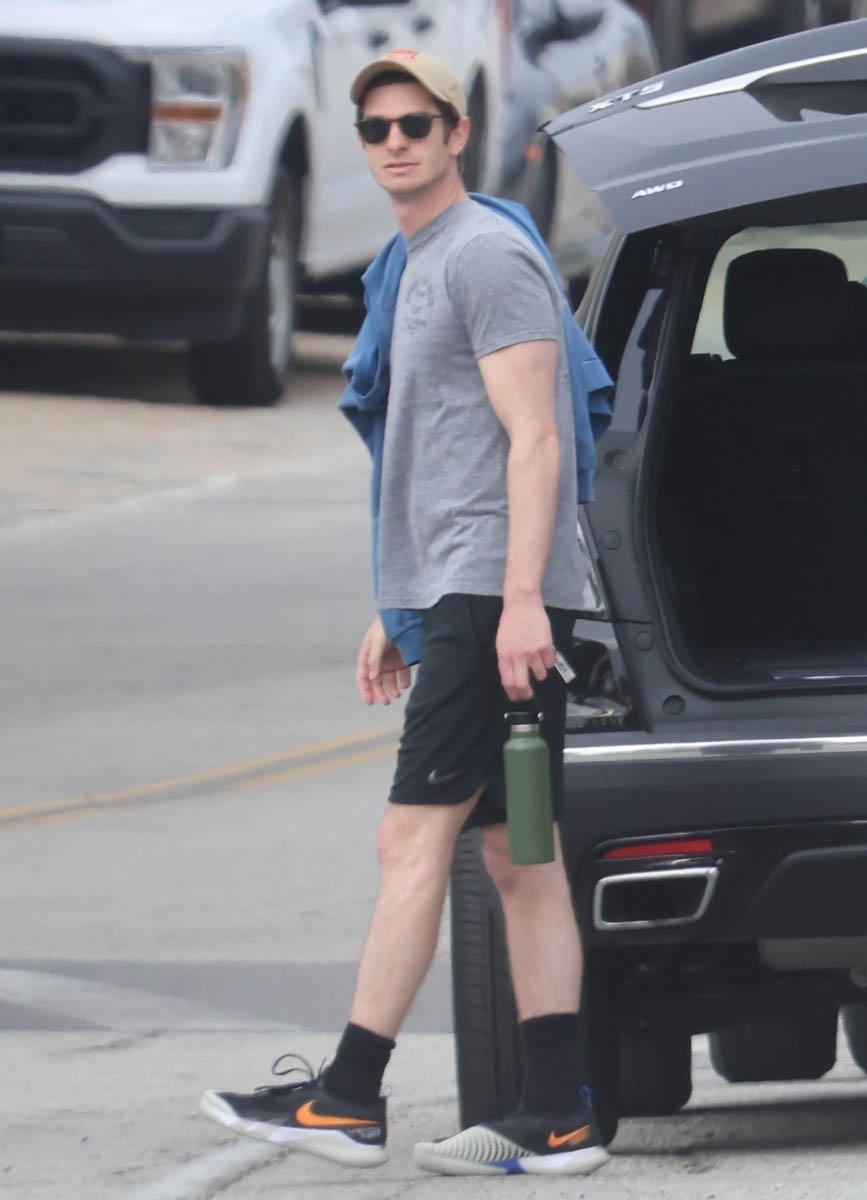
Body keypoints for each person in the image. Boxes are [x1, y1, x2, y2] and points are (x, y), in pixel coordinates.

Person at [199, 47, 612, 1178]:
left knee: (409, 839)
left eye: (414, 124)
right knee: (520, 858)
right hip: (462, 588)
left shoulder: (485, 254)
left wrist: (517, 602)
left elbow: (538, 438)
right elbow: (440, 452)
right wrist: (405, 603)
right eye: (375, 126)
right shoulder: (412, 259)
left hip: (494, 592)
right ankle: (559, 1112)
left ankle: (347, 1097)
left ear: (457, 133)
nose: (393, 142)